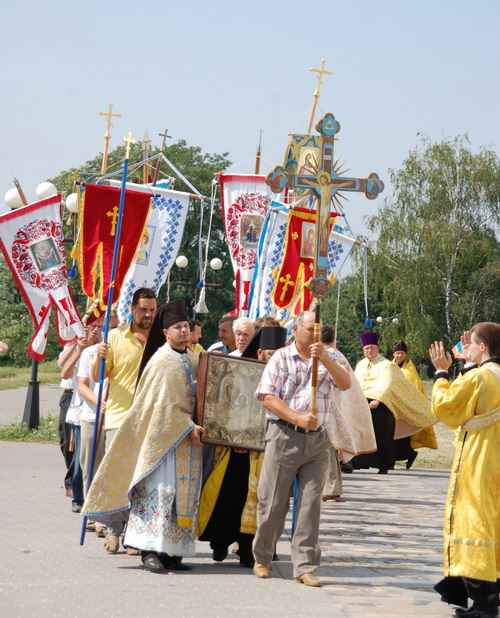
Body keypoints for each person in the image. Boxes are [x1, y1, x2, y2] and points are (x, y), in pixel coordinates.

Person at [83, 300, 204, 572]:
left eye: (186, 326)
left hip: (186, 442)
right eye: (177, 327)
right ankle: (149, 550)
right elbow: (162, 407)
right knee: (160, 494)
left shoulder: (192, 358)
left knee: (179, 498)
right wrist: (189, 425)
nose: (184, 331)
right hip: (161, 443)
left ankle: (172, 551)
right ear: (166, 332)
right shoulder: (162, 361)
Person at [252, 311, 351, 587]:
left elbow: (345, 384)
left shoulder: (330, 358)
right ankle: (262, 557)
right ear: (296, 330)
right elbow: (267, 397)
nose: (315, 334)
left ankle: (305, 566)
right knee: (273, 501)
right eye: (310, 329)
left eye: (318, 329)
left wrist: (325, 358)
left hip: (317, 440)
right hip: (285, 434)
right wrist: (296, 418)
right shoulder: (281, 358)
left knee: (310, 505)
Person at [197, 326, 287, 568]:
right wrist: (236, 438)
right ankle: (219, 541)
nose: (275, 359)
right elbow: (224, 405)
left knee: (257, 499)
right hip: (232, 448)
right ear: (260, 352)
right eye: (271, 354)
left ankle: (248, 548)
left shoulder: (284, 375)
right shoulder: (239, 371)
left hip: (265, 449)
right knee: (227, 496)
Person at [430, 323, 500, 618]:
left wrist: (441, 372)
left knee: (474, 522)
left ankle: (484, 603)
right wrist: (468, 362)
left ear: (483, 347)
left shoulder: (481, 377)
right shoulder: (492, 374)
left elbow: (446, 408)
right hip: (495, 455)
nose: (464, 346)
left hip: (479, 458)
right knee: (493, 522)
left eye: (471, 343)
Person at [92, 287, 157, 553]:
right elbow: (97, 376)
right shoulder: (115, 337)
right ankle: (113, 528)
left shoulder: (161, 338)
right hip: (120, 418)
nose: (148, 314)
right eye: (143, 309)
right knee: (117, 478)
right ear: (132, 309)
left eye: (152, 310)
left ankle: (134, 535)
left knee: (142, 481)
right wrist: (98, 356)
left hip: (151, 420)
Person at [351, 332, 436, 474]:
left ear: (377, 348)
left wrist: (378, 399)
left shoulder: (387, 365)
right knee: (359, 434)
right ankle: (354, 462)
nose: (369, 351)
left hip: (382, 407)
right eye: (366, 348)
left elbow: (388, 384)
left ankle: (383, 465)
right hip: (362, 407)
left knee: (382, 438)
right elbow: (356, 383)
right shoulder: (360, 365)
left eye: (372, 348)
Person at [391, 339, 437, 469]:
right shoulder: (389, 367)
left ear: (405, 354)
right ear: (393, 354)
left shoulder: (410, 371)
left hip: (405, 407)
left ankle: (406, 455)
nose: (399, 355)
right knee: (391, 433)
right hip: (392, 405)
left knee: (403, 435)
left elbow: (415, 388)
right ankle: (395, 458)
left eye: (402, 353)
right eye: (397, 353)